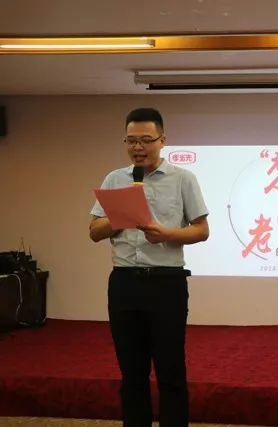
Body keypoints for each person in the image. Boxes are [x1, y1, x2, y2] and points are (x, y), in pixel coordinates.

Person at [88, 107, 209, 427]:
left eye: (145, 140)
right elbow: (94, 231)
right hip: (124, 282)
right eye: (131, 140)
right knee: (132, 371)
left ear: (162, 141)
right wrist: (121, 215)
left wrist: (166, 234)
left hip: (166, 283)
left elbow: (201, 230)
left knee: (170, 369)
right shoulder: (115, 179)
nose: (137, 147)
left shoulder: (183, 179)